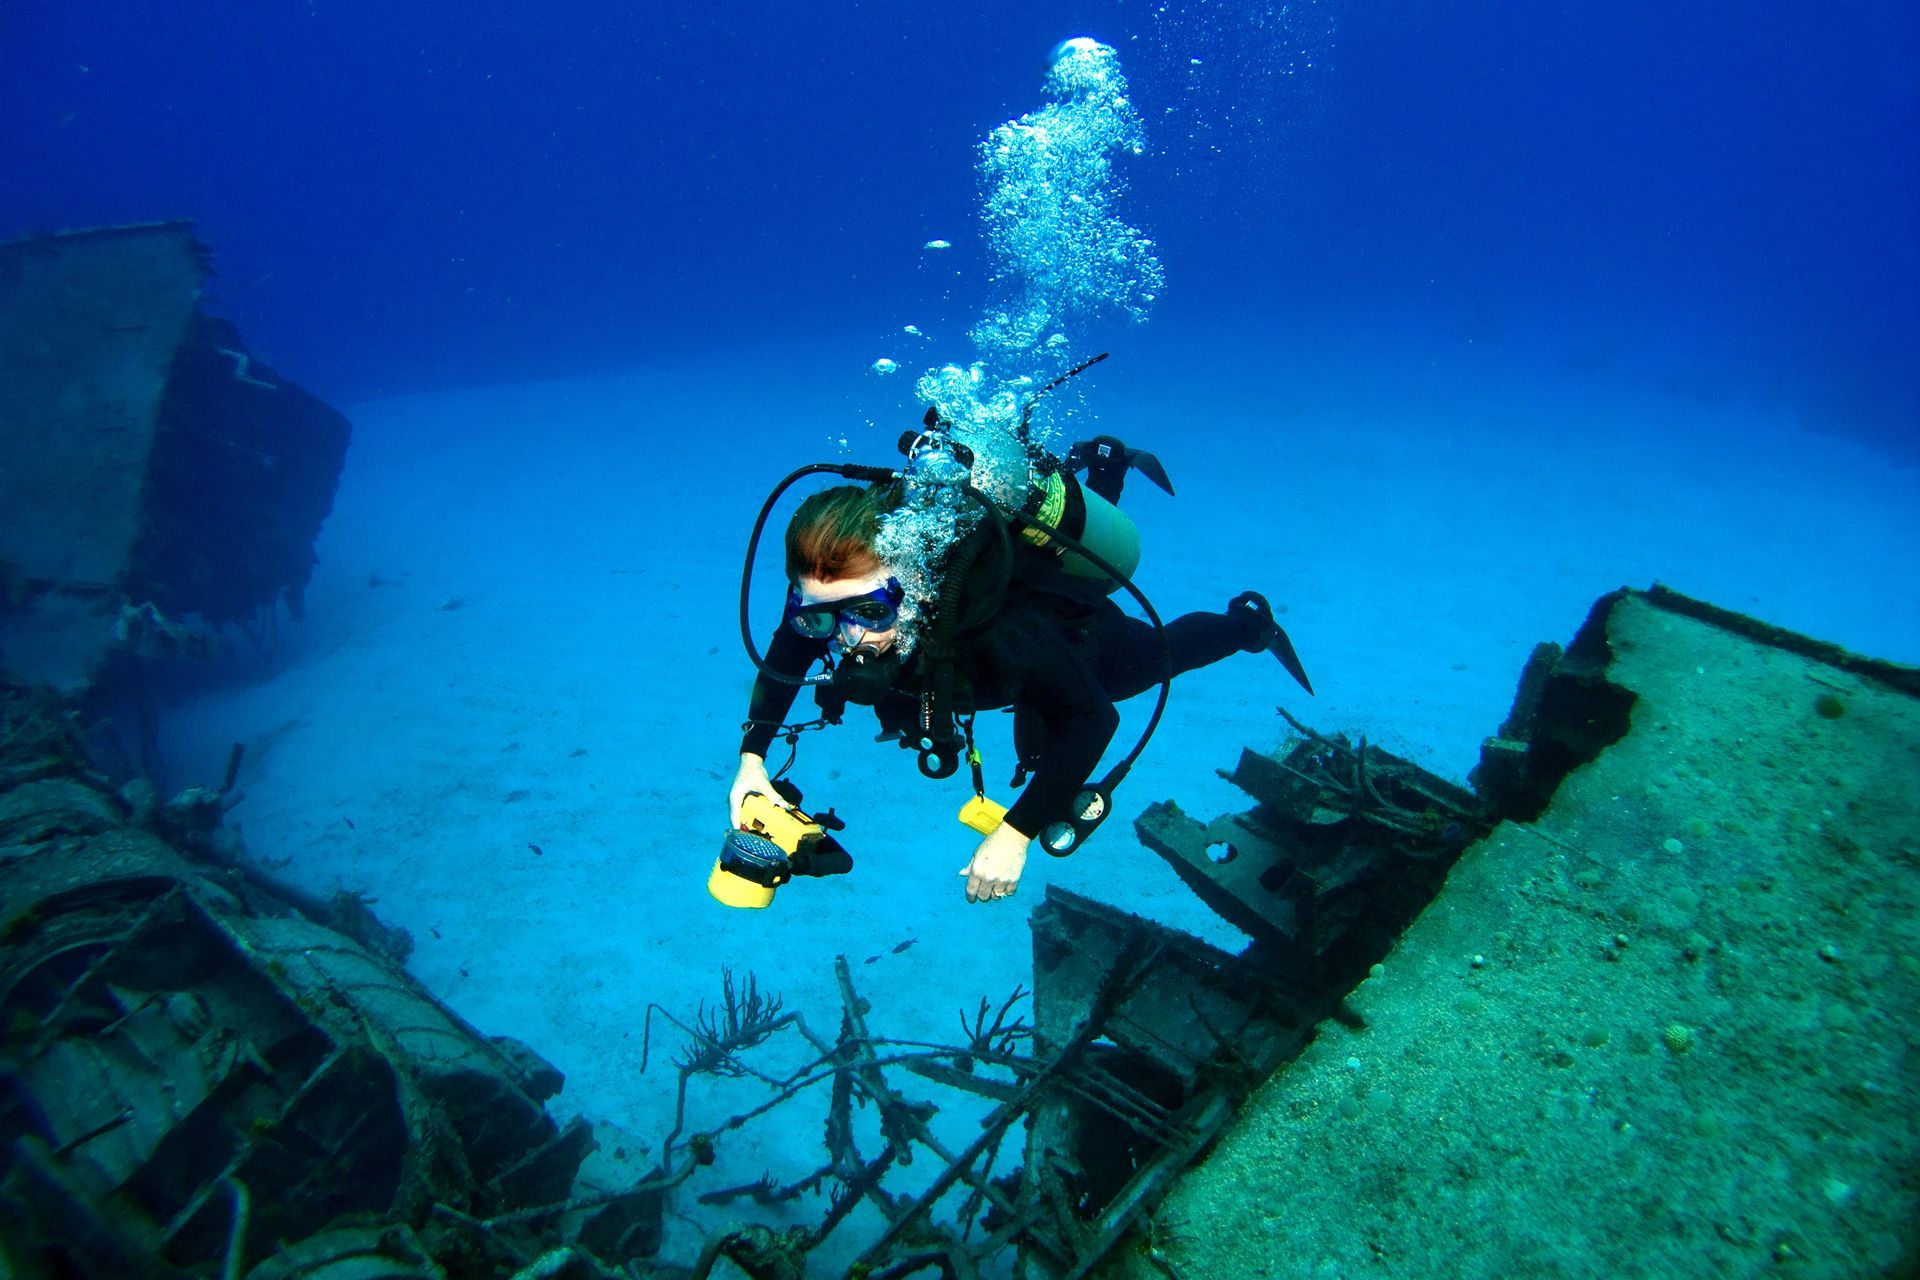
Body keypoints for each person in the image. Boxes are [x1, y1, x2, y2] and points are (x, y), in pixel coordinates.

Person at [729, 473, 1308, 906]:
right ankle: (1103, 469)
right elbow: (786, 652)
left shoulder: (1003, 627)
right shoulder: (827, 595)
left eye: (870, 612)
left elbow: (1093, 721)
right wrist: (751, 761)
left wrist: (1015, 835)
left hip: (1072, 642)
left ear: (916, 581)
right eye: (820, 617)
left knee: (1155, 659)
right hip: (976, 671)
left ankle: (1249, 625)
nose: (848, 637)